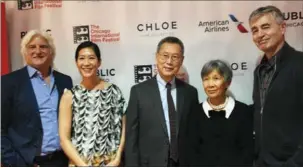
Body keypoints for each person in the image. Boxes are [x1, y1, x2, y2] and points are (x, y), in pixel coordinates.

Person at [1, 30, 73, 166]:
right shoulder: (8, 83)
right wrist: (15, 163)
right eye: (32, 47)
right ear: (24, 52)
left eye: (43, 46)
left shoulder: (65, 81)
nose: (38, 51)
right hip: (27, 162)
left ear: (51, 51)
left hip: (61, 161)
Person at [125, 36, 200, 166]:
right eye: (165, 56)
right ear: (157, 57)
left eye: (175, 57)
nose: (169, 62)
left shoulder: (190, 93)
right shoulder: (138, 92)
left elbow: (194, 134)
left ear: (181, 60)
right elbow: (131, 139)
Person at [249, 5, 303, 166]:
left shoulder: (300, 64)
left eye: (265, 27)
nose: (260, 34)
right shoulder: (259, 70)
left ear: (282, 27)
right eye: (255, 30)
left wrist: (295, 162)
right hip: (262, 161)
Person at [58, 41, 126, 167]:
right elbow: (64, 139)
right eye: (82, 58)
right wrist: (83, 166)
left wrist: (117, 159)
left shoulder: (115, 91)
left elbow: (123, 130)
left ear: (99, 62)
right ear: (76, 62)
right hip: (80, 164)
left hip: (111, 164)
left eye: (91, 58)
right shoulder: (69, 96)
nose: (86, 63)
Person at [190, 59, 254, 166]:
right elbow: (190, 152)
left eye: (216, 78)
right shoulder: (194, 113)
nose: (210, 84)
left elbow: (247, 151)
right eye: (206, 79)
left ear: (227, 82)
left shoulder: (243, 111)